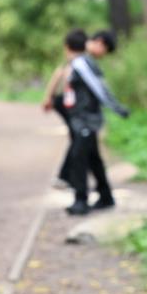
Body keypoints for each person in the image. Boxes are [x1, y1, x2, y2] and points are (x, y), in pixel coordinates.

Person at [63, 29, 130, 215]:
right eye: (106, 50)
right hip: (84, 120)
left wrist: (117, 108)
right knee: (92, 159)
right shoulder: (82, 62)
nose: (104, 55)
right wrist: (117, 108)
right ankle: (105, 196)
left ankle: (81, 201)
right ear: (99, 42)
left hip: (87, 120)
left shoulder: (83, 62)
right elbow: (99, 88)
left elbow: (99, 89)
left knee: (79, 158)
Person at [42, 29, 88, 187]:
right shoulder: (79, 63)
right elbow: (59, 76)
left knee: (76, 137)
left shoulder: (72, 62)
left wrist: (48, 97)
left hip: (63, 102)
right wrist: (49, 97)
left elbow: (56, 78)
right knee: (77, 138)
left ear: (66, 46)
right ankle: (66, 176)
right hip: (69, 104)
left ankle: (68, 175)